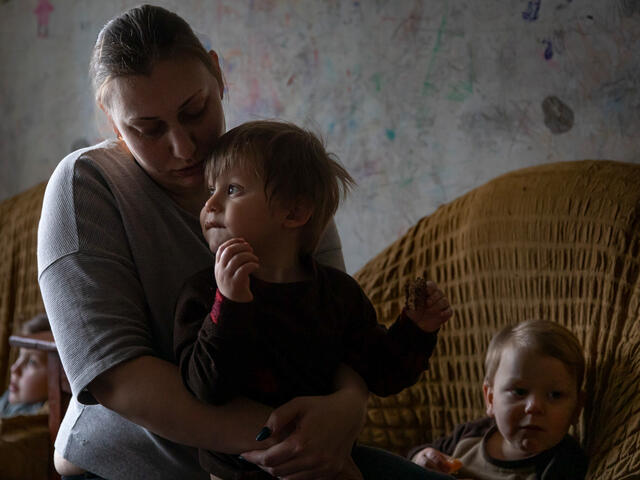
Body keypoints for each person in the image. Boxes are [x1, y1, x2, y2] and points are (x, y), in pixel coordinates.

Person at [37, 5, 382, 480]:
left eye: (194, 111)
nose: (184, 147)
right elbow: (118, 379)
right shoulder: (86, 186)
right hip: (130, 467)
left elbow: (338, 325)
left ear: (218, 73)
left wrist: (347, 408)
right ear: (112, 121)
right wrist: (292, 439)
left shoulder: (276, 177)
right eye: (148, 129)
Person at [173, 120, 454, 479]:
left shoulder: (337, 295)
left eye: (232, 189)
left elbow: (381, 374)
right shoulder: (203, 293)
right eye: (211, 189)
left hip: (327, 465)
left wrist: (416, 329)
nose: (210, 204)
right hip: (239, 472)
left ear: (294, 213)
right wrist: (229, 304)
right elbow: (204, 389)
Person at [408, 319, 588, 480]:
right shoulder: (471, 434)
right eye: (519, 391)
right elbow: (415, 459)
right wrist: (422, 459)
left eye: (554, 395)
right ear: (490, 398)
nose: (534, 407)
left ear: (577, 408)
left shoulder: (565, 462)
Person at [0, 313, 50, 418]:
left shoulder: (38, 418)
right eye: (19, 356)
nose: (14, 368)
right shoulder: (9, 396)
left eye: (32, 362)